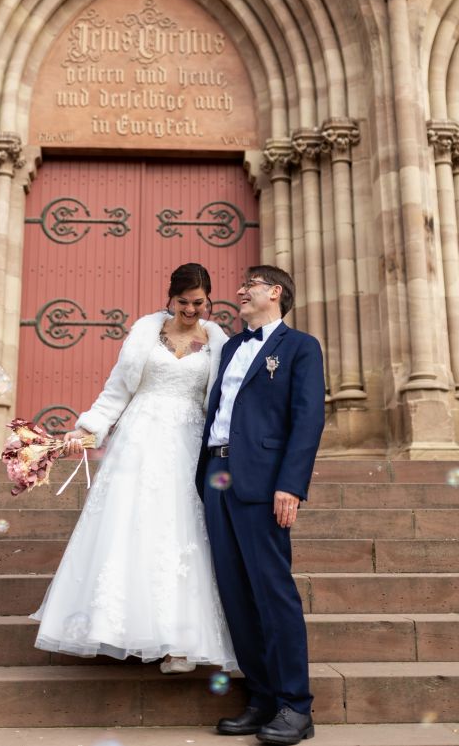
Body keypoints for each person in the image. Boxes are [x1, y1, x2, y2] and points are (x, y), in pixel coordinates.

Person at [31, 262, 236, 673]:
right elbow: (118, 388)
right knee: (130, 524)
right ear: (170, 298)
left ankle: (181, 640)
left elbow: (224, 400)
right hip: (140, 437)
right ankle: (118, 623)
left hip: (187, 442)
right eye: (183, 302)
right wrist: (87, 429)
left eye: (199, 302)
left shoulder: (218, 341)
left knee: (181, 528)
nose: (192, 310)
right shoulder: (145, 333)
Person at [196, 265, 325, 745]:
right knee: (235, 592)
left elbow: (307, 420)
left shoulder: (300, 347)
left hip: (264, 482)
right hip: (216, 476)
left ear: (275, 292)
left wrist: (290, 485)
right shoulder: (230, 347)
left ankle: (297, 706)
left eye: (248, 285)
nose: (239, 291)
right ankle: (263, 698)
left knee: (272, 592)